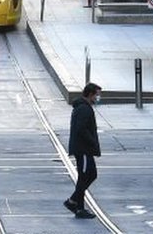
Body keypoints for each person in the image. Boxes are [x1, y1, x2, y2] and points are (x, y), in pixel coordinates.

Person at [64, 82, 102, 219]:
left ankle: (78, 207)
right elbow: (81, 129)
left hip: (83, 148)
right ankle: (73, 202)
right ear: (90, 94)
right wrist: (92, 142)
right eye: (97, 95)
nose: (98, 98)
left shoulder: (83, 107)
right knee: (89, 175)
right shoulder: (84, 109)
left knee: (85, 176)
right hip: (84, 149)